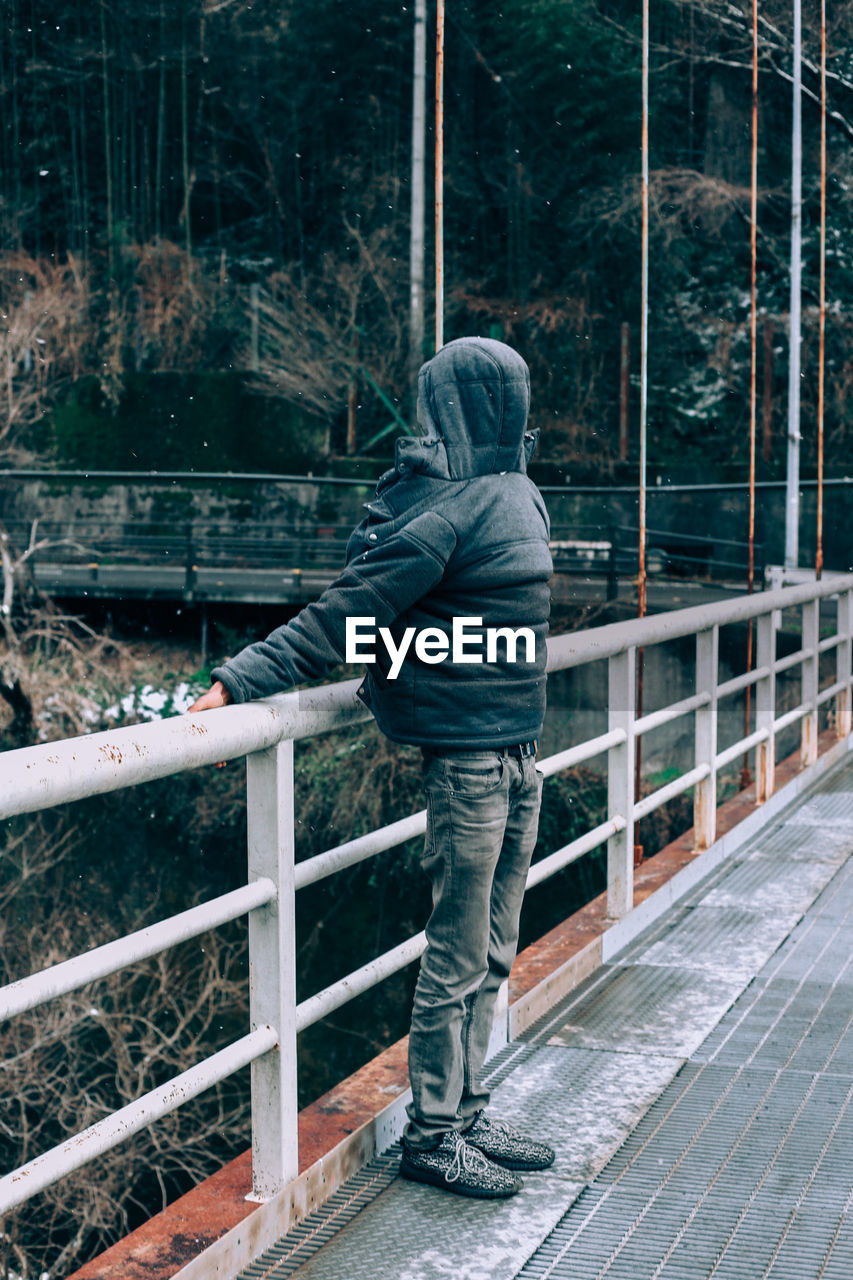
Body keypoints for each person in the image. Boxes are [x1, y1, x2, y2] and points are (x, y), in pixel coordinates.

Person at [189, 336, 555, 1198]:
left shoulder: (518, 494)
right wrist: (239, 680)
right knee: (459, 951)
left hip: (515, 751)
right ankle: (432, 1134)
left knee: (494, 950)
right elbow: (346, 614)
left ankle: (465, 1107)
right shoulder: (447, 508)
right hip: (466, 763)